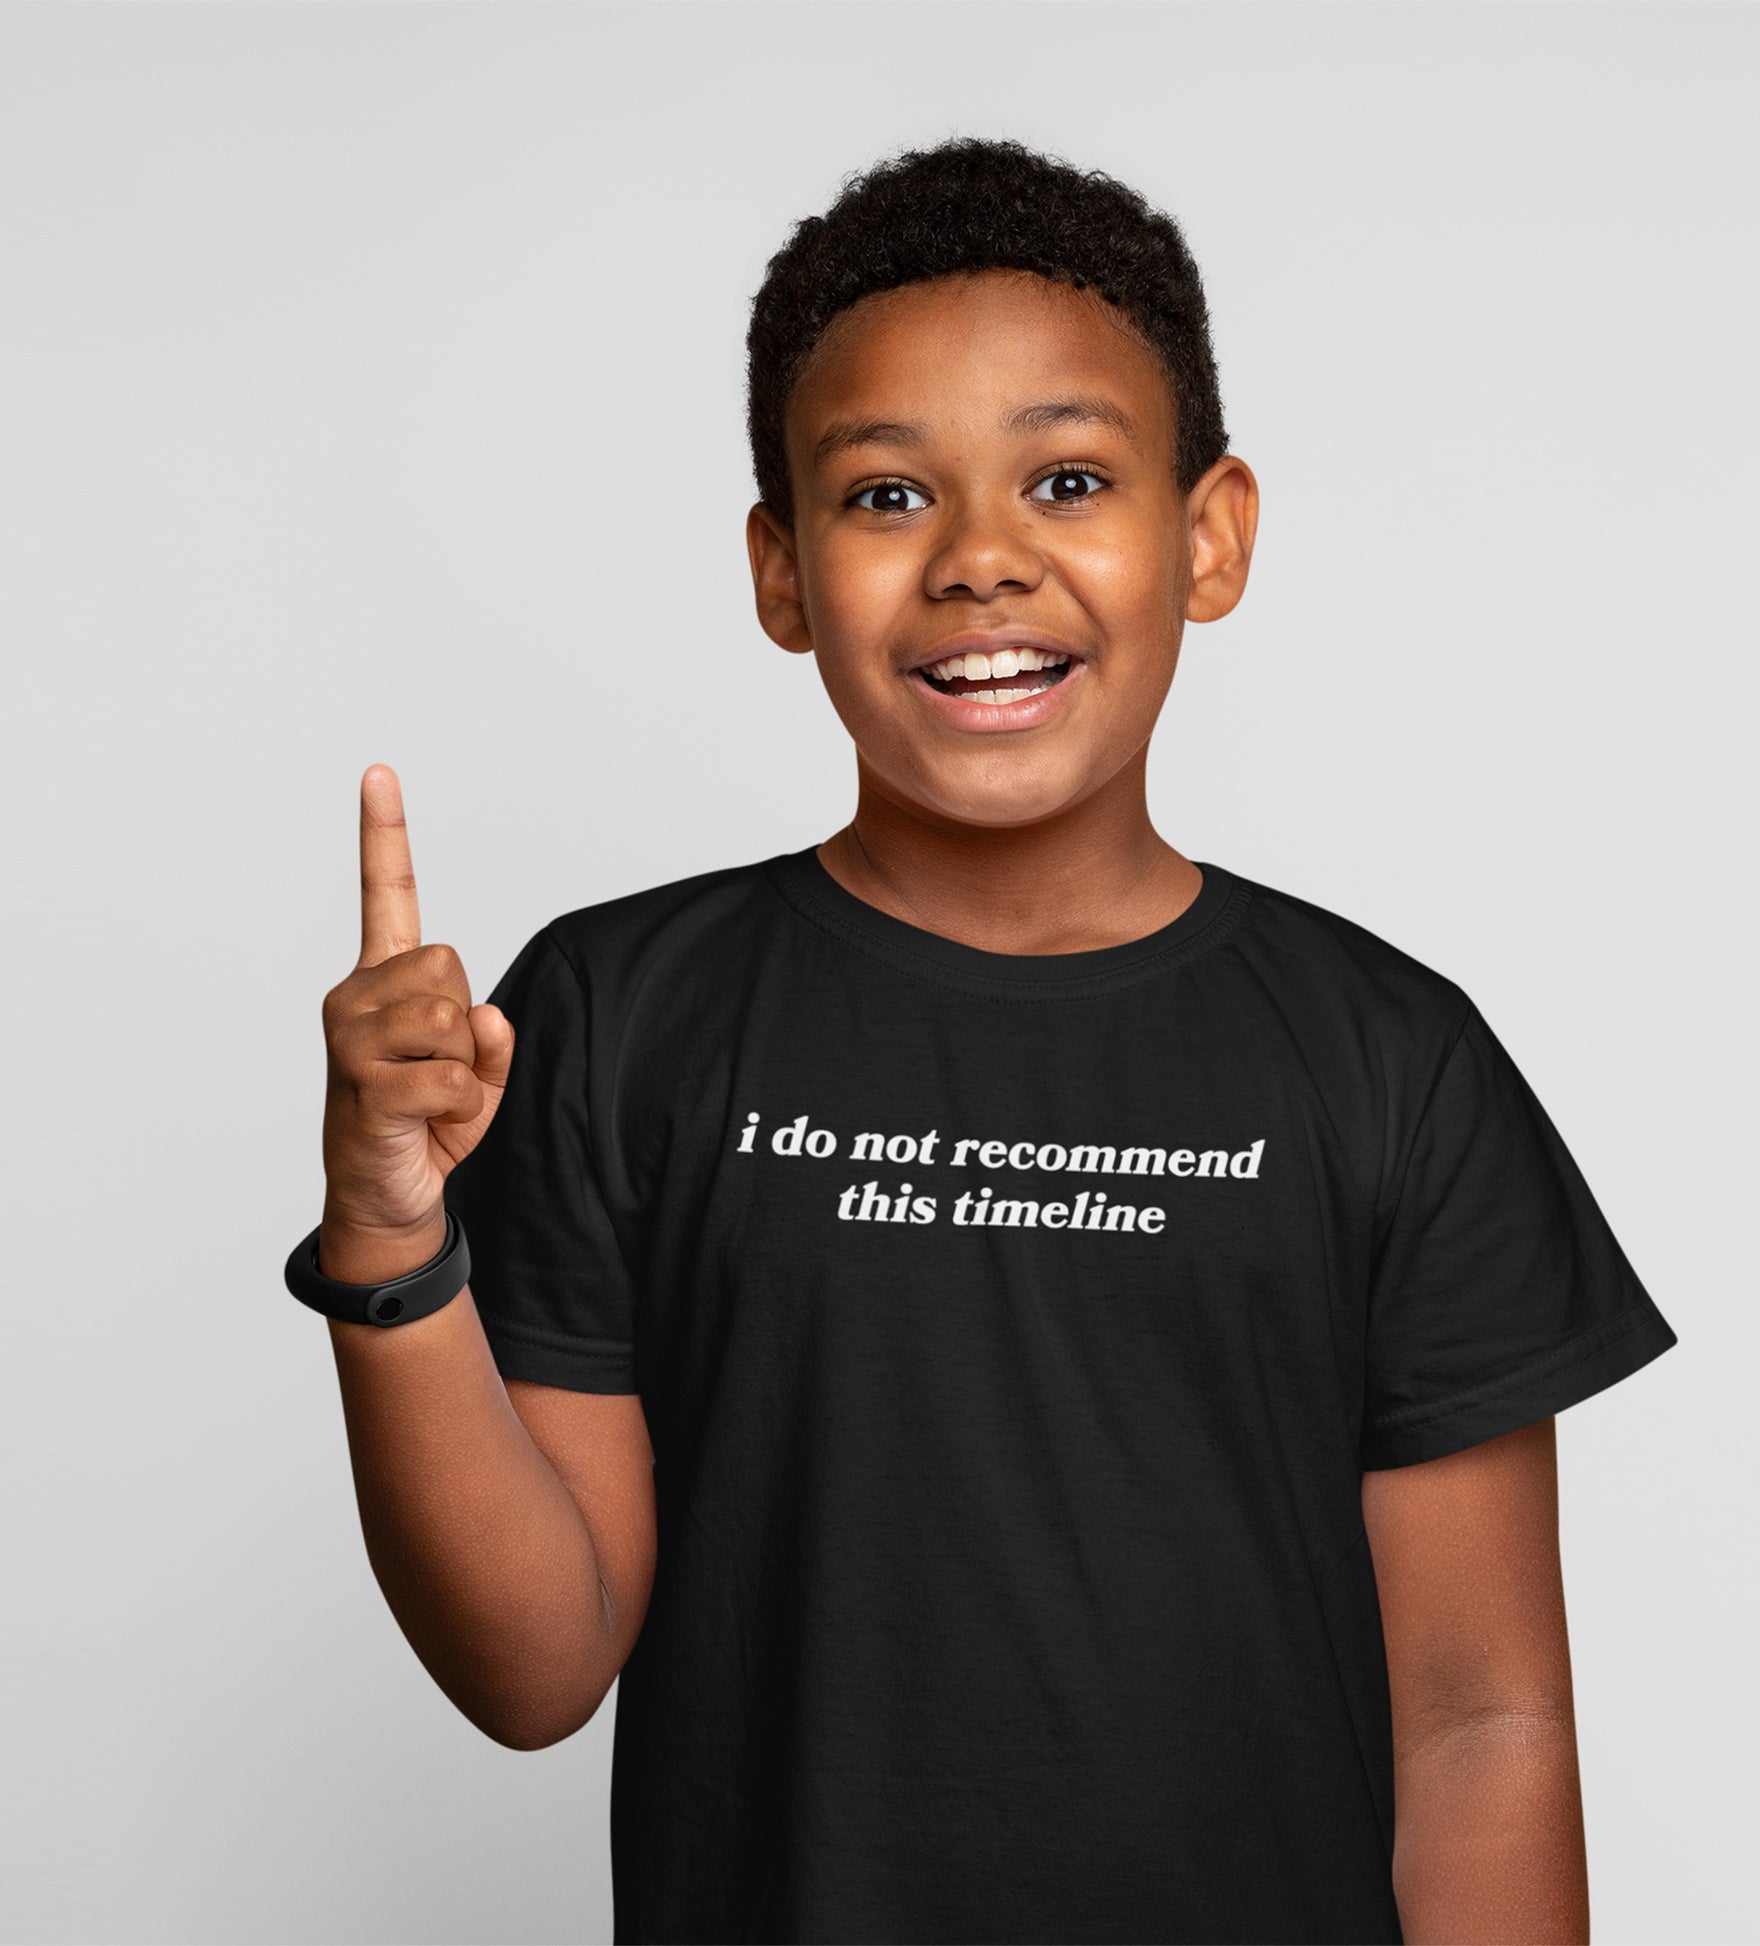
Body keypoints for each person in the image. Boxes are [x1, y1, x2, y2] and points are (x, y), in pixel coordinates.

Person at [302, 137, 1676, 1945]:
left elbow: (1484, 1717)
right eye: (884, 498)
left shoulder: (1385, 1057)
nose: (977, 561)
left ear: (1208, 536)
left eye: (1067, 476)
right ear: (781, 571)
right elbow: (536, 1665)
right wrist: (392, 1238)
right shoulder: (618, 1011)